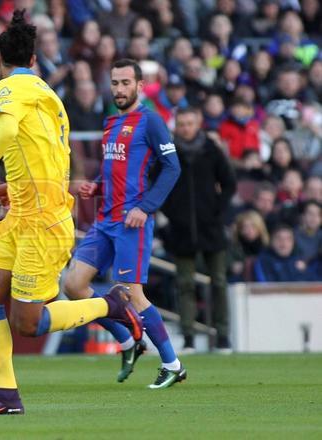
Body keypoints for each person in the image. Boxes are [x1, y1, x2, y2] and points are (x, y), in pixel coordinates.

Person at [0, 12, 143, 416]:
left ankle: (109, 305)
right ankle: (6, 397)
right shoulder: (47, 95)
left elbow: (3, 134)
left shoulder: (7, 88)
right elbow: (47, 152)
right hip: (22, 210)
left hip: (42, 220)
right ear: (35, 60)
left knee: (28, 322)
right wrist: (15, 186)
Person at [62, 58, 184, 389]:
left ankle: (172, 364)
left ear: (140, 86)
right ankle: (129, 340)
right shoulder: (111, 123)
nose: (119, 89)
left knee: (132, 293)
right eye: (115, 83)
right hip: (106, 220)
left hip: (133, 221)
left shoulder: (151, 121)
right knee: (73, 285)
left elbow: (172, 167)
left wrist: (145, 207)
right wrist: (97, 185)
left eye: (126, 83)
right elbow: (114, 166)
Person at [162, 107, 237, 352]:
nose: (185, 128)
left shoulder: (211, 151)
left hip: (211, 228)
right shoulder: (168, 152)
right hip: (182, 229)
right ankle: (189, 337)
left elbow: (229, 183)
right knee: (185, 284)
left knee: (219, 282)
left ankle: (223, 336)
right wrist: (172, 214)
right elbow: (158, 185)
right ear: (176, 126)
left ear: (198, 123)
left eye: (189, 123)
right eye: (181, 123)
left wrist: (217, 210)